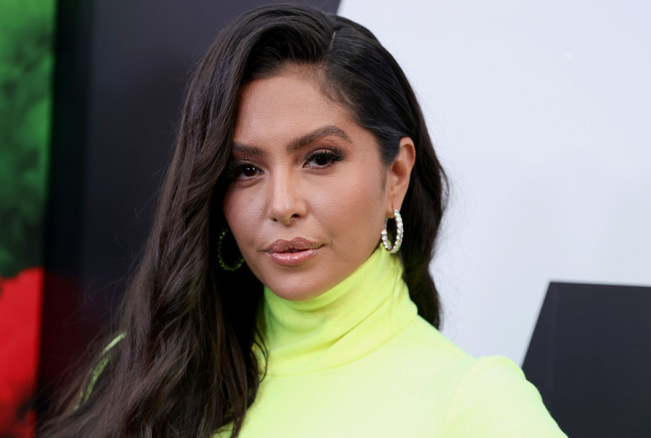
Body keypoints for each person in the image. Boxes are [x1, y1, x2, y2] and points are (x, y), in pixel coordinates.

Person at [44, 4, 566, 437]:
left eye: (320, 158)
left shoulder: (472, 406)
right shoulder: (143, 370)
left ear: (397, 175)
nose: (281, 203)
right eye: (245, 169)